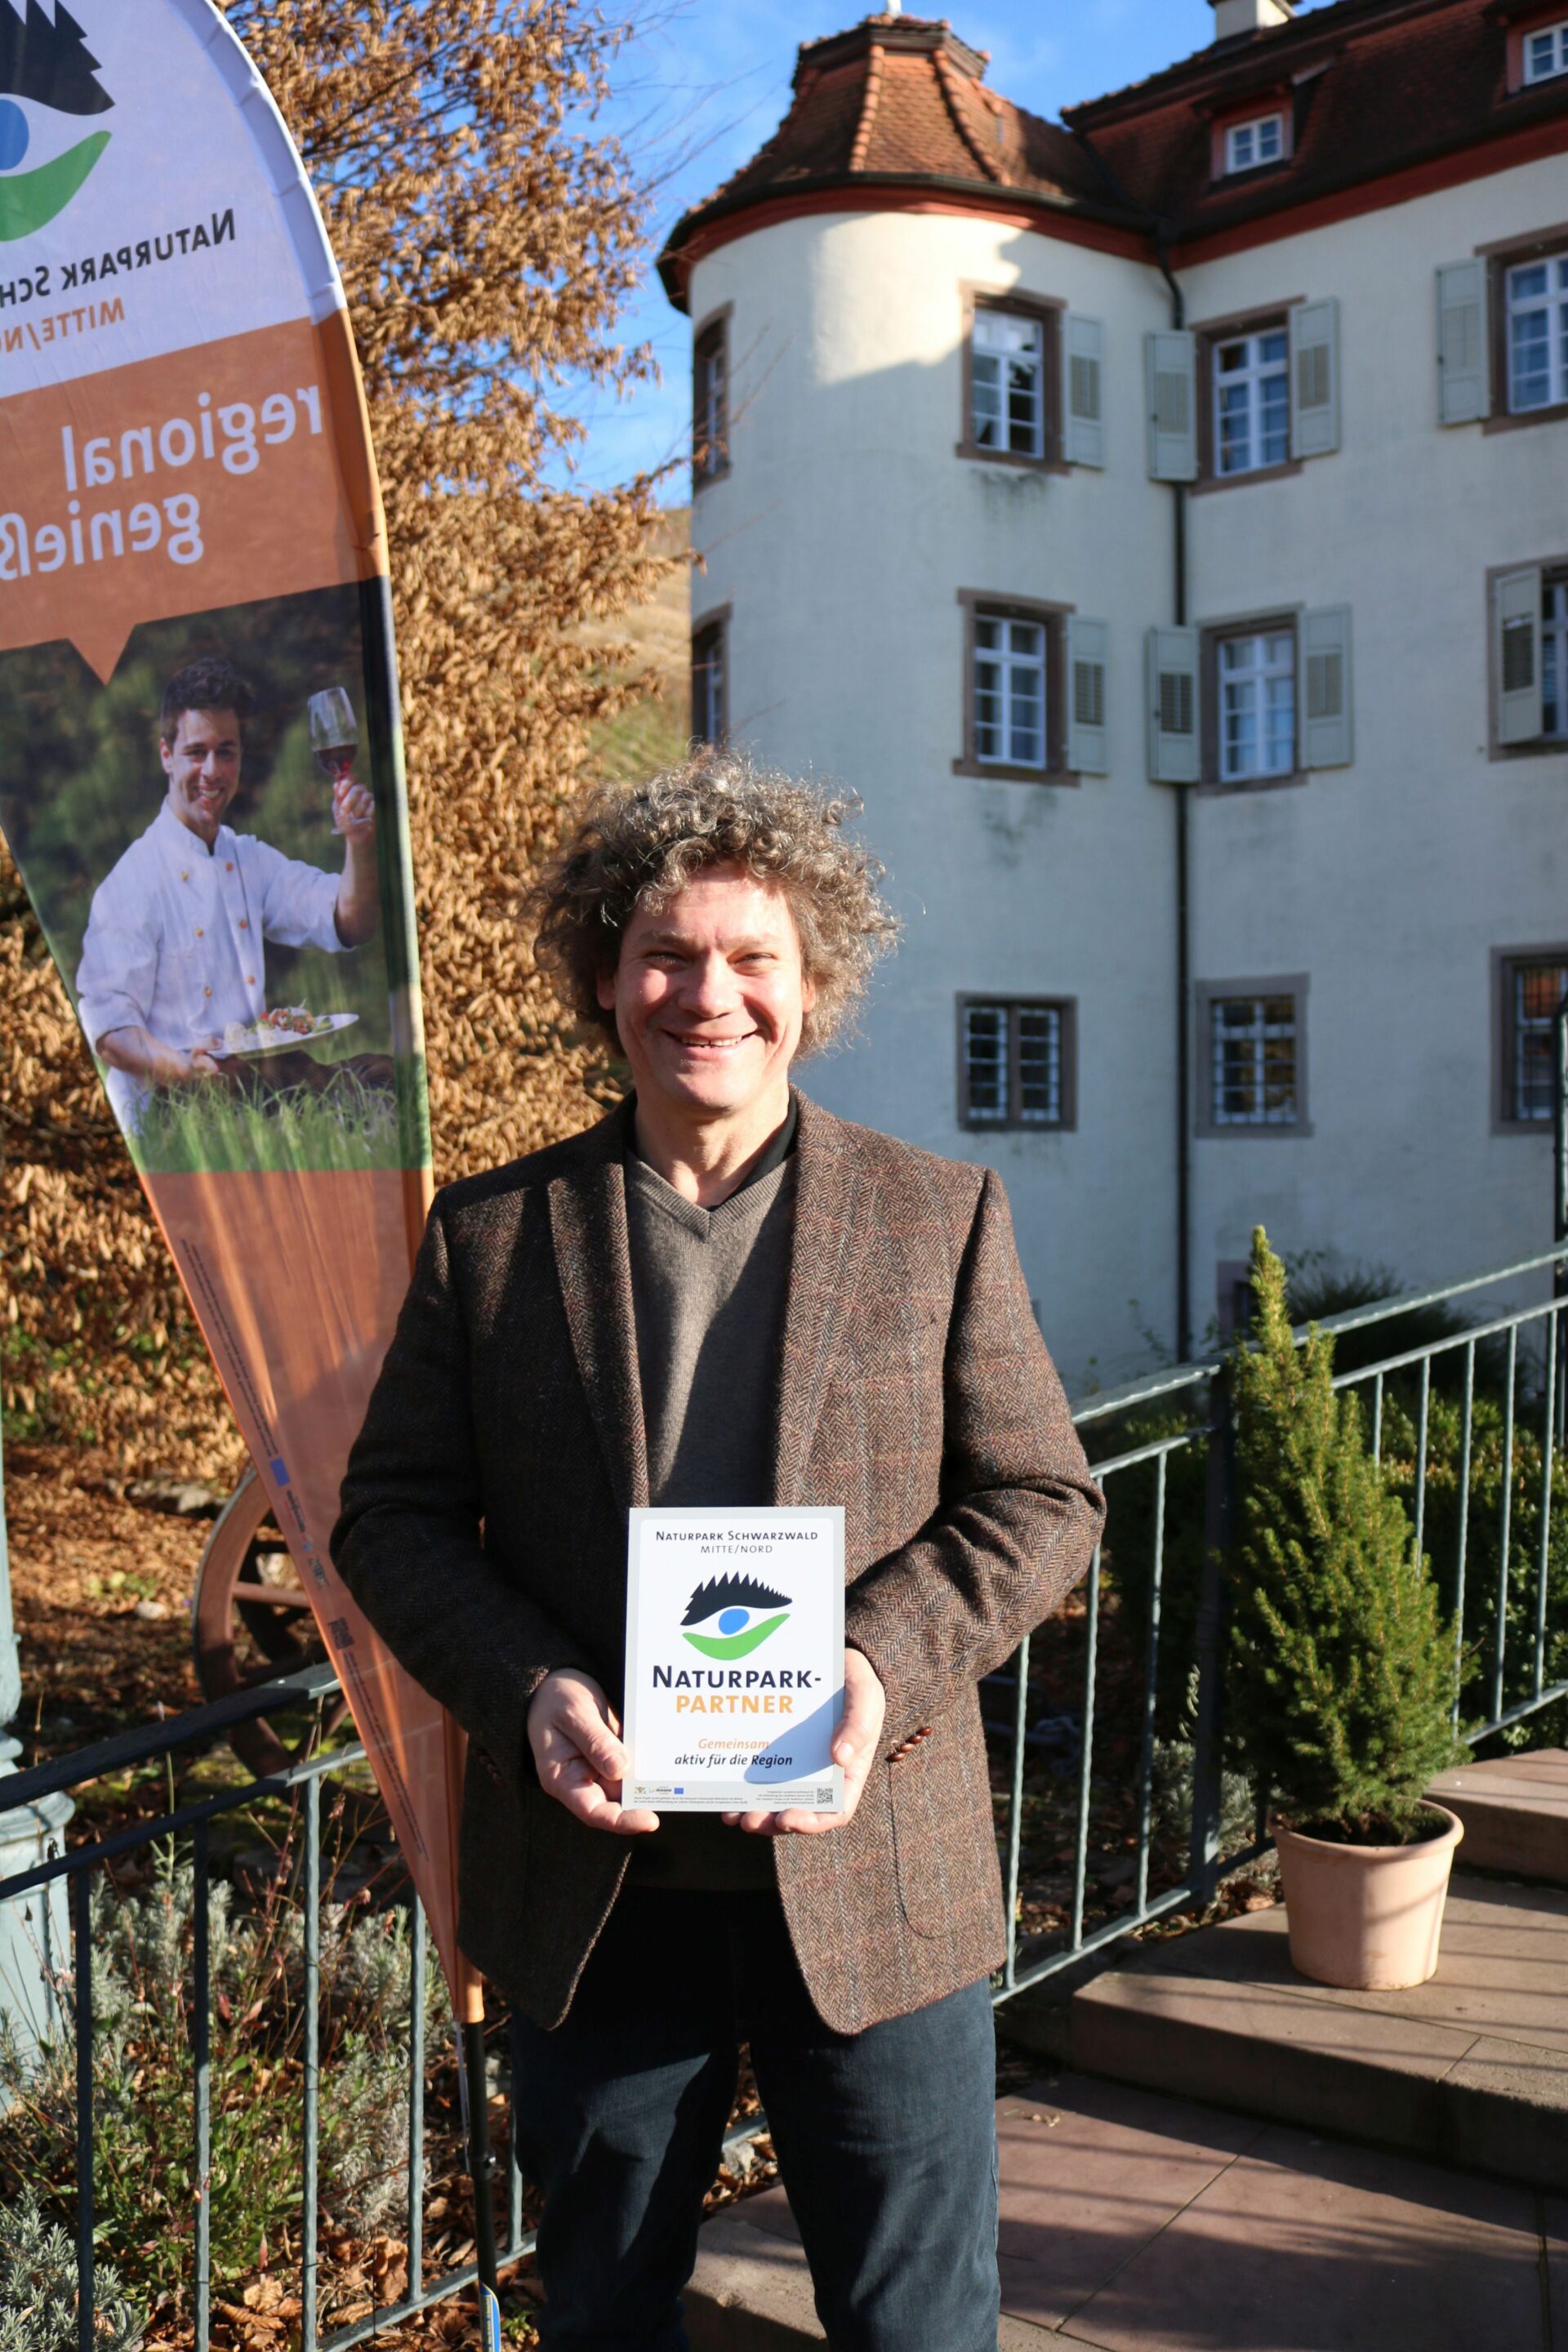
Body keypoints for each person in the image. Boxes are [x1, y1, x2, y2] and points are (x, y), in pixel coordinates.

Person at [332, 755, 1105, 2352]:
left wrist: (875, 1666)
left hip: (878, 1881)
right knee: (606, 2319)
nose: (709, 994)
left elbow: (1044, 1497)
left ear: (811, 987)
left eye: (754, 958)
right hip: (600, 1895)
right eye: (667, 955)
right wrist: (528, 1688)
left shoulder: (937, 1215)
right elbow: (390, 1517)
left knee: (918, 2327)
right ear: (603, 977)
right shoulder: (493, 1235)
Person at [75, 656, 381, 1134]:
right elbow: (111, 1032)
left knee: (380, 1074)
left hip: (251, 1086)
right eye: (196, 752)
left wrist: (358, 843)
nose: (212, 771)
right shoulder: (132, 882)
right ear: (166, 755)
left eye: (226, 752)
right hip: (169, 1108)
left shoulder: (247, 858)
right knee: (340, 1091)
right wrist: (183, 1068)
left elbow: (352, 922)